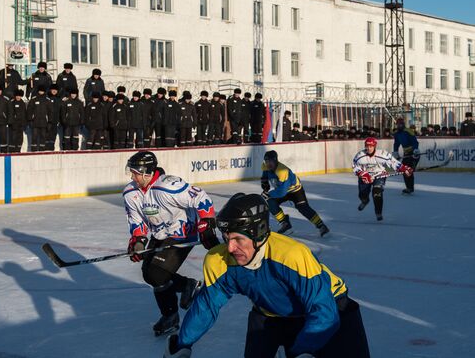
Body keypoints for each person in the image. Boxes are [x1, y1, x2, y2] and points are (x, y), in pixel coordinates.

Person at [163, 193, 370, 358]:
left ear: (259, 232)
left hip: (332, 310)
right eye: (226, 238)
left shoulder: (291, 255)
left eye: (237, 239)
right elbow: (207, 306)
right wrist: (182, 344)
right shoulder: (219, 260)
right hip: (272, 316)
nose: (230, 247)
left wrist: (301, 350)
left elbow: (323, 311)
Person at [123, 151, 219, 337]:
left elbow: (200, 197)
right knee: (149, 275)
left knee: (157, 273)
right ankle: (178, 301)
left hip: (183, 233)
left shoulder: (168, 186)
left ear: (146, 173)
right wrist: (138, 241)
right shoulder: (130, 193)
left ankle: (175, 307)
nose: (132, 176)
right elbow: (137, 222)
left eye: (135, 172)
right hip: (160, 234)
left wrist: (206, 223)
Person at [262, 150, 330, 236]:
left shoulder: (282, 171)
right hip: (282, 189)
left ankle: (321, 225)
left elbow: (281, 193)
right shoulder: (265, 166)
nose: (268, 164)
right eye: (266, 162)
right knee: (270, 202)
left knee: (303, 208)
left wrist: (269, 194)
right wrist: (264, 183)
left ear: (275, 160)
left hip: (295, 191)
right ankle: (285, 224)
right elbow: (264, 175)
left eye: (270, 162)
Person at [353, 137, 413, 221]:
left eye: (371, 146)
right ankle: (365, 201)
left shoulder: (382, 154)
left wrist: (404, 169)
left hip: (379, 175)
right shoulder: (360, 156)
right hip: (365, 176)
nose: (369, 148)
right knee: (362, 194)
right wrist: (362, 174)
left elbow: (393, 162)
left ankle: (378, 212)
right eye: (367, 146)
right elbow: (355, 167)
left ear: (374, 146)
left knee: (377, 192)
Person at [392, 118, 420, 194]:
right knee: (404, 171)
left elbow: (415, 142)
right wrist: (395, 152)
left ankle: (410, 188)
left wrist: (415, 149)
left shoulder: (408, 131)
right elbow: (396, 144)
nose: (399, 126)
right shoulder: (397, 134)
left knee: (409, 171)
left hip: (414, 153)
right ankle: (409, 188)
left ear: (403, 124)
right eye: (398, 124)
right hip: (406, 154)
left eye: (401, 124)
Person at [27, 85, 52, 152]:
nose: (41, 92)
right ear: (38, 91)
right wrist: (30, 120)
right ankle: (33, 150)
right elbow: (29, 110)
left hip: (44, 123)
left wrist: (50, 122)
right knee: (34, 137)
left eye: (42, 91)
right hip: (35, 122)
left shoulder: (47, 100)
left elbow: (50, 112)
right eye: (40, 91)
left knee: (43, 137)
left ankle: (42, 150)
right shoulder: (34, 99)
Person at [47, 84, 63, 151]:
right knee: (47, 134)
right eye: (53, 90)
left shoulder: (59, 99)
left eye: (55, 90)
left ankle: (51, 148)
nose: (54, 91)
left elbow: (61, 111)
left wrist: (60, 120)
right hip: (48, 121)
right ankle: (46, 148)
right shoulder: (47, 98)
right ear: (50, 90)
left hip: (55, 120)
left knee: (53, 135)